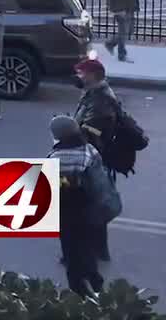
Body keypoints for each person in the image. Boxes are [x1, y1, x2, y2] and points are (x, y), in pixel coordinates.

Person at [48, 114, 107, 296]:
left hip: (69, 210)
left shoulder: (58, 156)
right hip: (92, 207)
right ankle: (95, 280)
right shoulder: (90, 149)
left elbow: (57, 184)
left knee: (71, 249)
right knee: (86, 244)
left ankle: (79, 289)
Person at [72, 57, 122, 262]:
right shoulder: (95, 94)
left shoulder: (101, 99)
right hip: (94, 158)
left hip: (94, 160)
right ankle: (98, 250)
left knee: (87, 205)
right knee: (93, 205)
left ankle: (87, 252)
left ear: (92, 76)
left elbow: (94, 131)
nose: (79, 76)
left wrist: (72, 132)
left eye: (82, 73)